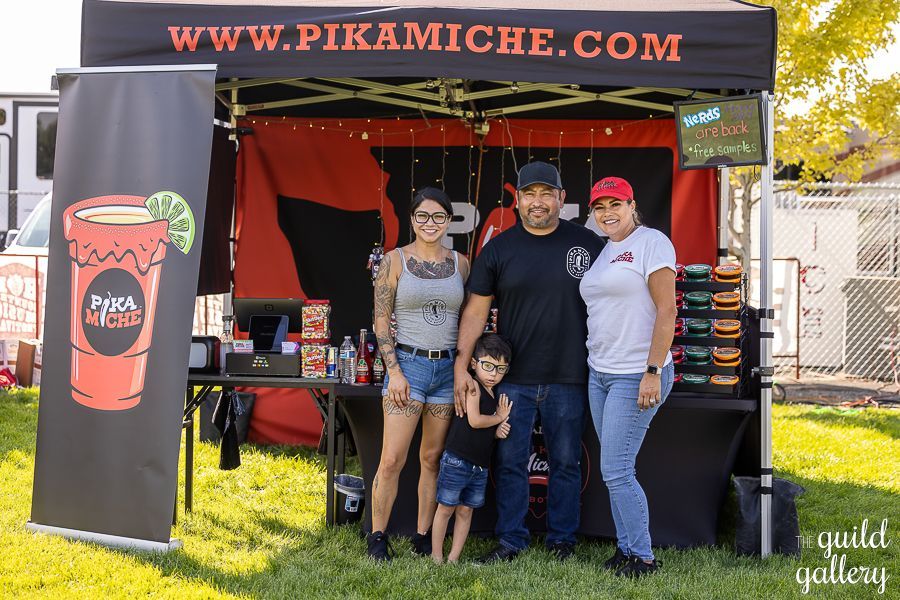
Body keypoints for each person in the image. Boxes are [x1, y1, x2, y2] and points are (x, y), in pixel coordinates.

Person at [454, 161, 606, 563]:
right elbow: (475, 312)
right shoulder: (499, 248)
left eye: (546, 194)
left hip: (570, 375)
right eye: (529, 194)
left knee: (567, 462)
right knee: (509, 462)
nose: (538, 202)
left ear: (561, 198)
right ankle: (511, 540)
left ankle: (562, 541)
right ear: (518, 200)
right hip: (512, 379)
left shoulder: (588, 244)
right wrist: (461, 365)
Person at [579, 176, 677, 577]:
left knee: (617, 470)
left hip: (636, 373)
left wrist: (652, 371)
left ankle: (643, 557)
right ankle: (626, 549)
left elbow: (667, 310)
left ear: (632, 206)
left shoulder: (652, 242)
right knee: (615, 469)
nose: (607, 213)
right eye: (600, 207)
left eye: (615, 204)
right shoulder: (605, 250)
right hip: (599, 373)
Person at [368, 187, 469, 561]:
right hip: (408, 366)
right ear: (412, 219)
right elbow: (381, 322)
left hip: (446, 369)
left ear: (448, 221)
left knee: (431, 458)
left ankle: (424, 536)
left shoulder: (461, 264)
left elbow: (469, 318)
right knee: (392, 459)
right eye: (423, 216)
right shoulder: (393, 261)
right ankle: (377, 536)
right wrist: (394, 371)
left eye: (438, 216)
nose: (430, 223)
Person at [431, 334, 513, 564]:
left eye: (500, 369)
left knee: (466, 511)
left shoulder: (493, 392)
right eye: (488, 366)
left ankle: (454, 557)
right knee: (446, 508)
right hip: (457, 460)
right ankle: (436, 556)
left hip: (479, 466)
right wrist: (498, 418)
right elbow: (475, 421)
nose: (493, 374)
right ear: (474, 364)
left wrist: (495, 433)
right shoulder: (473, 387)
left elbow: (481, 430)